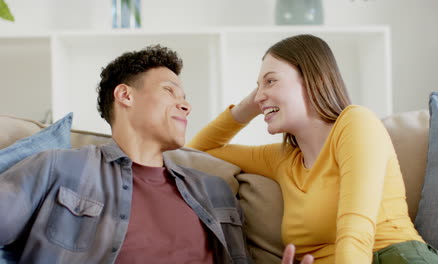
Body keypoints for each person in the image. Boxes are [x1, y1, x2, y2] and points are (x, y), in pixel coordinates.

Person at [0, 44, 313, 264]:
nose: (186, 105)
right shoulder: (58, 167)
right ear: (125, 95)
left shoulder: (214, 190)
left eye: (185, 97)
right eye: (169, 91)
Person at [188, 34, 438, 264]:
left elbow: (355, 233)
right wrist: (248, 107)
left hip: (394, 256)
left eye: (270, 81)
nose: (259, 96)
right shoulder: (282, 160)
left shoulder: (355, 123)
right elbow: (196, 152)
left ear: (313, 79)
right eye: (258, 87)